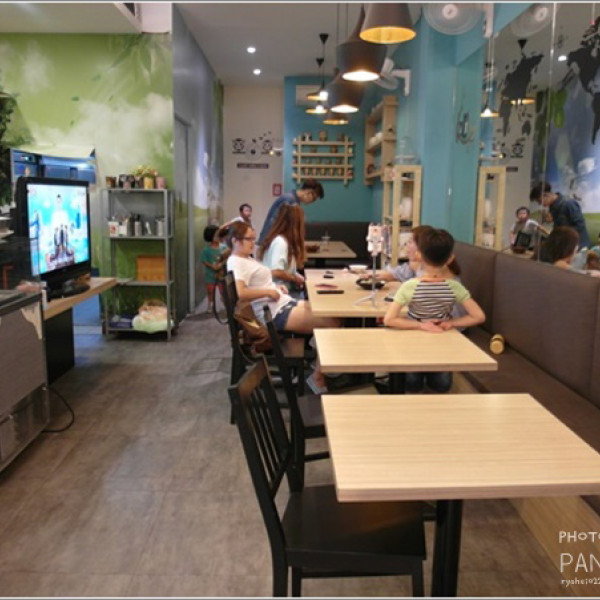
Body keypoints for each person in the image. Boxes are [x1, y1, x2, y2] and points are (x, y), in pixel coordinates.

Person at [226, 221, 340, 393]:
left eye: (254, 239)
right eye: (249, 239)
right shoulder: (236, 262)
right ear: (235, 241)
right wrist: (268, 292)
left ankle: (321, 363)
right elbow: (240, 292)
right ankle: (319, 376)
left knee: (331, 315)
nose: (253, 243)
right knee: (332, 323)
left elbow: (257, 283)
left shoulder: (246, 258)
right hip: (272, 313)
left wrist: (275, 287)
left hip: (280, 304)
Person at [383, 228, 485, 393]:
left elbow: (389, 319)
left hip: (413, 343)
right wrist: (451, 322)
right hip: (442, 340)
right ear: (450, 258)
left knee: (412, 383)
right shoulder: (455, 286)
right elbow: (478, 316)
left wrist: (420, 325)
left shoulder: (409, 286)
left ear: (419, 255)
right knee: (441, 385)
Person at [257, 203, 306, 298]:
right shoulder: (281, 243)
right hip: (277, 293)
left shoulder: (284, 241)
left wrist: (295, 275)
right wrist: (294, 278)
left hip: (282, 291)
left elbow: (284, 268)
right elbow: (276, 271)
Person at [258, 179, 324, 243]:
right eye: (314, 198)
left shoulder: (295, 201)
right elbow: (276, 222)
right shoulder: (289, 199)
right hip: (270, 240)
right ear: (308, 192)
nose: (312, 201)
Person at [530, 182, 590, 249]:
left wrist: (563, 235)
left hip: (578, 245)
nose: (540, 204)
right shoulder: (552, 207)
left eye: (540, 201)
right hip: (566, 246)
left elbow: (580, 225)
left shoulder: (569, 203)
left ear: (545, 195)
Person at [201, 225, 226, 313]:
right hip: (210, 275)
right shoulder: (206, 250)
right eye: (216, 235)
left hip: (222, 274)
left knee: (223, 290)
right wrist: (212, 266)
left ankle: (225, 303)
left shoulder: (224, 248)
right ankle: (210, 304)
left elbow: (226, 258)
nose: (218, 237)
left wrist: (221, 264)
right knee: (210, 291)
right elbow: (204, 261)